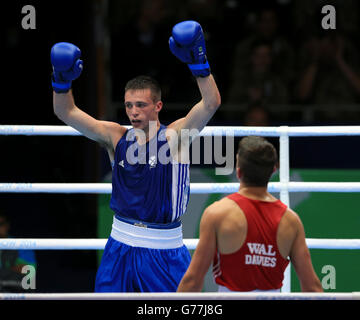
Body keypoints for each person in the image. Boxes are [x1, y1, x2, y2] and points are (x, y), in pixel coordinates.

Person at [51, 20, 221, 292]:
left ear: (158, 106)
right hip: (120, 246)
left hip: (164, 251)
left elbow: (210, 103)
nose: (134, 111)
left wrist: (199, 65)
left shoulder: (174, 136)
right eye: (129, 105)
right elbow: (66, 112)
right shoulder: (115, 136)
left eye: (141, 105)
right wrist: (61, 81)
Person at [177, 136, 323, 292]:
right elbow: (312, 287)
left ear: (238, 172)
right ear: (273, 171)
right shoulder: (291, 220)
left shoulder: (218, 213)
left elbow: (193, 280)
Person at [0, 213, 37, 292]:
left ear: (7, 225)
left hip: (17, 289)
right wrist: (11, 269)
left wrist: (4, 271)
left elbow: (29, 271)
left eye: (1, 224)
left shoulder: (21, 244)